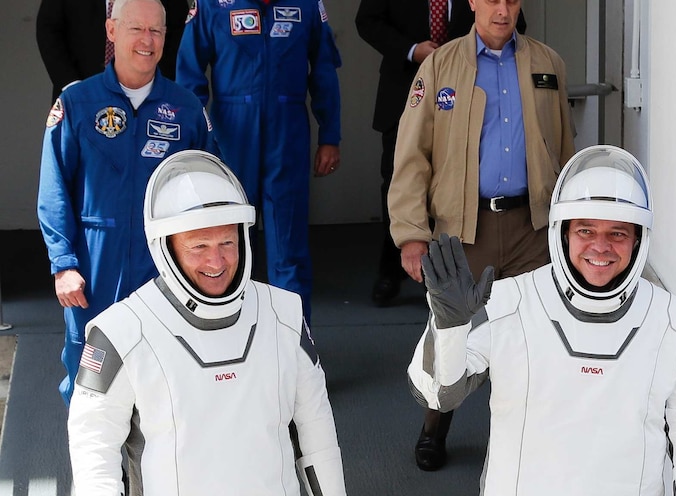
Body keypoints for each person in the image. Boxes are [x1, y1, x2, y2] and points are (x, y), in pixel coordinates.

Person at [408, 145, 676, 496]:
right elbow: (438, 392)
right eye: (586, 231)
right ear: (562, 231)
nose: (601, 247)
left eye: (618, 233)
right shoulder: (507, 300)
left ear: (639, 238)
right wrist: (447, 325)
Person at [68, 150, 350, 496]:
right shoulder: (121, 331)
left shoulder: (284, 314)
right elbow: (93, 448)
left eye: (226, 243)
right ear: (166, 247)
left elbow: (314, 420)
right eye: (198, 246)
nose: (216, 262)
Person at [387, 0, 575, 470]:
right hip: (464, 229)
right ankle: (436, 423)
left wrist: (571, 222)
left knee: (528, 335)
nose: (502, 9)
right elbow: (412, 157)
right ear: (472, 1)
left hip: (532, 226)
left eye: (511, 0)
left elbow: (566, 146)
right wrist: (412, 234)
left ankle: (521, 436)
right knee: (453, 330)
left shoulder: (547, 64)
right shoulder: (440, 64)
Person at [37, 0, 215, 406]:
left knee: (166, 386)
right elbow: (54, 190)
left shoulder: (187, 109)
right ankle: (95, 472)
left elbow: (209, 191)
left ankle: (153, 471)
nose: (147, 41)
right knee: (90, 387)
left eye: (156, 31)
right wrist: (63, 264)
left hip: (164, 271)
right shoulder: (77, 104)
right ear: (112, 31)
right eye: (136, 29)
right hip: (95, 272)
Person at [176, 0, 342, 320]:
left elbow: (324, 70)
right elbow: (188, 75)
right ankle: (231, 345)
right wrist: (195, 142)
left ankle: (295, 348)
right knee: (225, 251)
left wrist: (330, 136)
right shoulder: (212, 5)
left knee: (289, 251)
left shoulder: (306, 5)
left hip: (287, 136)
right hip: (229, 138)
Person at [354, 0, 526, 307]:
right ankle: (392, 268)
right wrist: (412, 49)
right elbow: (367, 21)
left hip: (467, 100)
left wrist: (465, 51)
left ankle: (442, 273)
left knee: (456, 182)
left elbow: (514, 23)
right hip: (405, 89)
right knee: (401, 181)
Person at [36, 0, 190, 101]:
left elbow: (178, 36)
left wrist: (153, 90)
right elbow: (48, 29)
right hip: (79, 93)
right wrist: (73, 87)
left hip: (148, 100)